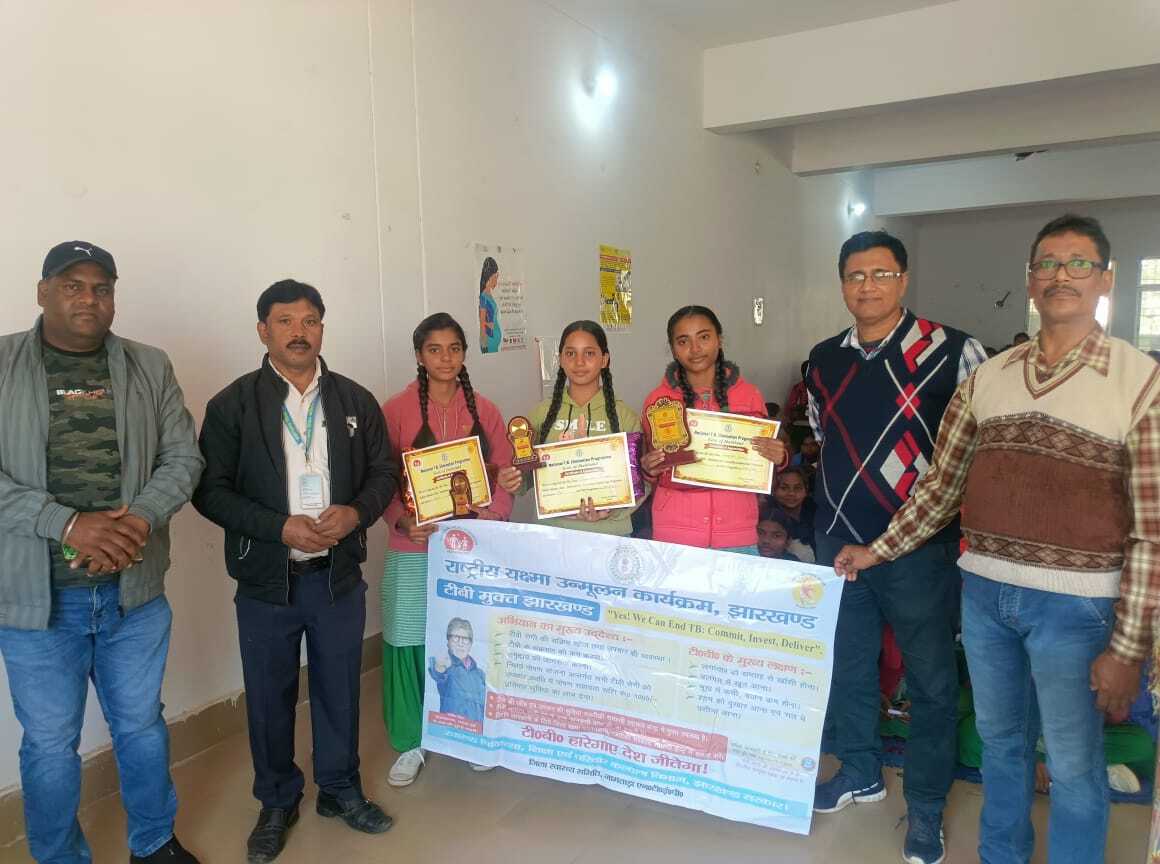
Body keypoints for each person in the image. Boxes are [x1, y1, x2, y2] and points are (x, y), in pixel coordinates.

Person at [834, 214, 1160, 864]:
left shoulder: (1140, 381)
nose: (1061, 275)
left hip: (1077, 608)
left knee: (1072, 764)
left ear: (1105, 279)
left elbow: (1151, 531)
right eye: (1048, 264)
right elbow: (940, 486)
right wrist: (878, 550)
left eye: (1078, 263)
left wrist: (1129, 648)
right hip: (985, 599)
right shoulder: (990, 376)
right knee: (1002, 749)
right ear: (1030, 280)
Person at [0, 242, 204, 864]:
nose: (89, 299)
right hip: (37, 604)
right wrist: (66, 524)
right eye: (72, 285)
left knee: (141, 726)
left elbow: (183, 457)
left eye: (102, 287)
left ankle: (154, 842)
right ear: (42, 291)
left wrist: (137, 520)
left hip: (132, 595)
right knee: (49, 744)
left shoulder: (149, 365)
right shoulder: (2, 363)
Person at [193, 279, 398, 863]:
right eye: (285, 321)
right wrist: (277, 526)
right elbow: (209, 491)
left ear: (322, 329)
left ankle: (339, 788)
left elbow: (383, 472)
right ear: (263, 331)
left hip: (336, 577)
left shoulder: (355, 401)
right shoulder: (232, 405)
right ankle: (277, 801)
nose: (298, 332)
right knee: (268, 696)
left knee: (340, 689)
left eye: (309, 321)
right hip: (266, 581)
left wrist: (356, 512)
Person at [806, 230, 986, 864]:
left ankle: (927, 807)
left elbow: (975, 449)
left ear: (904, 279)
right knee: (850, 666)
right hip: (839, 542)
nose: (868, 286)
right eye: (856, 275)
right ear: (842, 284)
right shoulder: (822, 358)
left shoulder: (955, 350)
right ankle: (860, 771)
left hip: (918, 549)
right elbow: (824, 436)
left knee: (931, 682)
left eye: (881, 274)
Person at [380, 313, 513, 787]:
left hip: (470, 552)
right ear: (419, 355)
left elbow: (505, 476)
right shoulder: (394, 411)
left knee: (469, 640)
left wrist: (491, 519)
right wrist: (401, 519)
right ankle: (409, 741)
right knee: (407, 640)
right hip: (412, 547)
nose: (445, 358)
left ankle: (473, 734)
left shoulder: (486, 411)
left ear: (464, 354)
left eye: (454, 348)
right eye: (434, 349)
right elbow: (379, 479)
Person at [640, 306, 787, 553]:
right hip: (675, 533)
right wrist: (649, 469)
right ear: (673, 349)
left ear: (719, 340)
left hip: (736, 532)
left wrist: (779, 457)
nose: (695, 348)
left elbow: (763, 466)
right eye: (683, 341)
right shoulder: (658, 401)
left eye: (704, 337)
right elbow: (650, 465)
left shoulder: (749, 395)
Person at [496, 320, 643, 534]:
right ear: (561, 359)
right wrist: (512, 481)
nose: (579, 362)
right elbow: (525, 478)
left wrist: (612, 512)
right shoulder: (540, 415)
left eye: (589, 353)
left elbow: (642, 482)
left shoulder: (625, 417)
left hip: (610, 534)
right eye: (571, 353)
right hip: (552, 534)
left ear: (604, 359)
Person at [428, 618, 487, 723]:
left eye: (465, 639)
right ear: (448, 642)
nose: (460, 643)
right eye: (455, 638)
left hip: (475, 730)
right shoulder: (447, 667)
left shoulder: (480, 674)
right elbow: (438, 673)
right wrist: (439, 666)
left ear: (470, 644)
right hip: (451, 728)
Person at [772, 466, 816, 562]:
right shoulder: (769, 518)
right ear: (773, 490)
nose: (791, 493)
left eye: (797, 488)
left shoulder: (816, 513)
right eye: (784, 488)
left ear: (806, 490)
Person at [478, 256, 502, 354]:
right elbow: (482, 322)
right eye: (496, 277)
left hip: (494, 341)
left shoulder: (489, 294)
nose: (497, 280)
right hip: (489, 341)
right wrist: (484, 344)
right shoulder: (483, 297)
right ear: (490, 276)